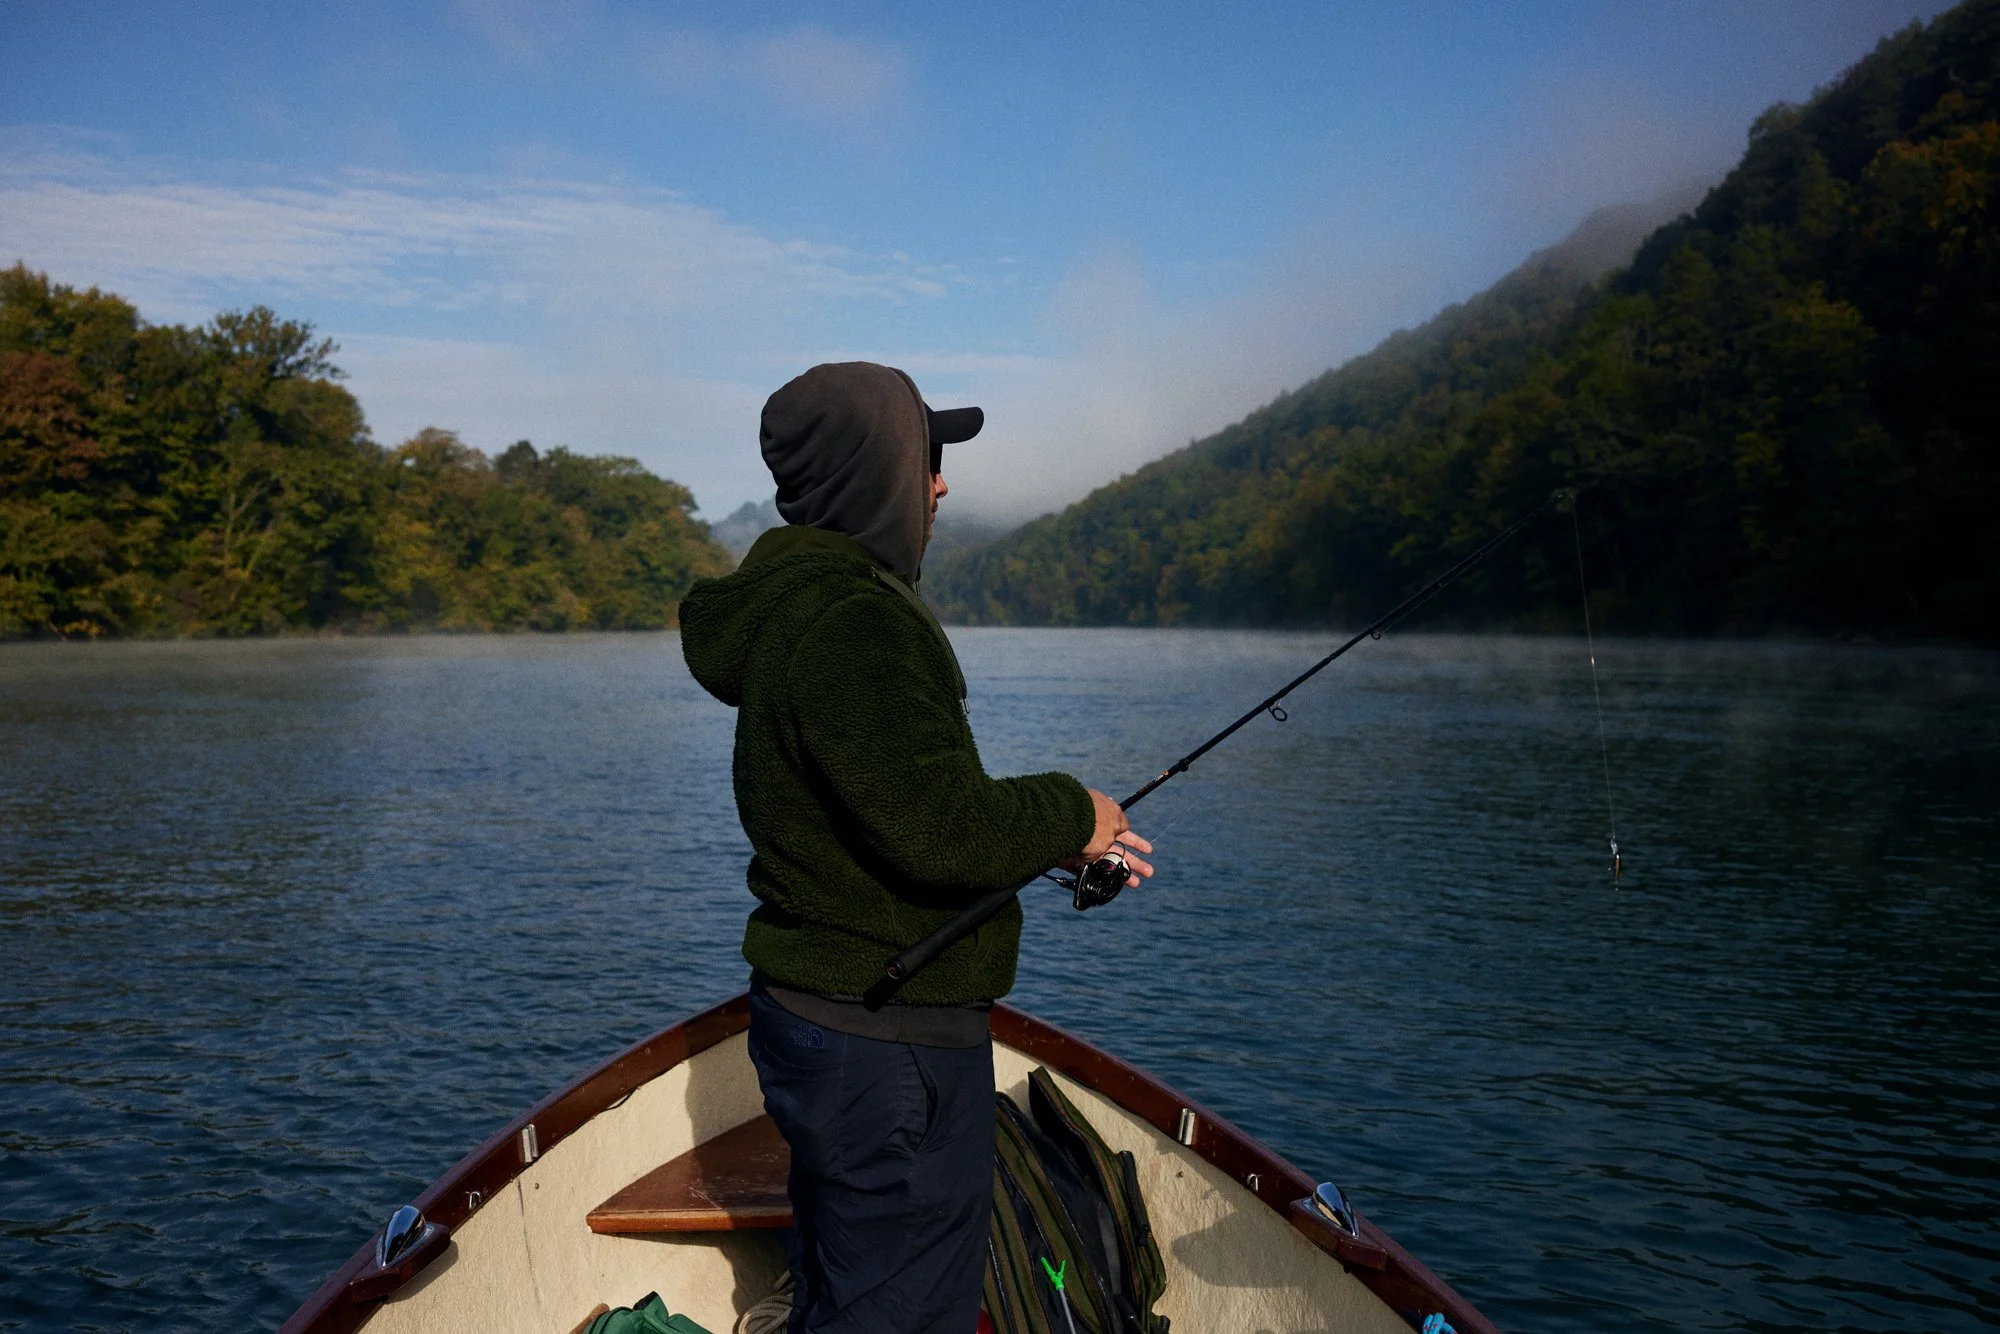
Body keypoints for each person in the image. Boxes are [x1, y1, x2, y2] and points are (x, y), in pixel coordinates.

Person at [679, 362, 1152, 1334]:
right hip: (885, 1041)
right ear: (874, 471)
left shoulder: (796, 605)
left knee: (844, 1284)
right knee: (901, 1312)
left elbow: (884, 810)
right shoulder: (854, 618)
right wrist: (1075, 810)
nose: (940, 485)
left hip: (817, 1016)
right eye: (925, 460)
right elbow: (938, 826)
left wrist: (1039, 843)